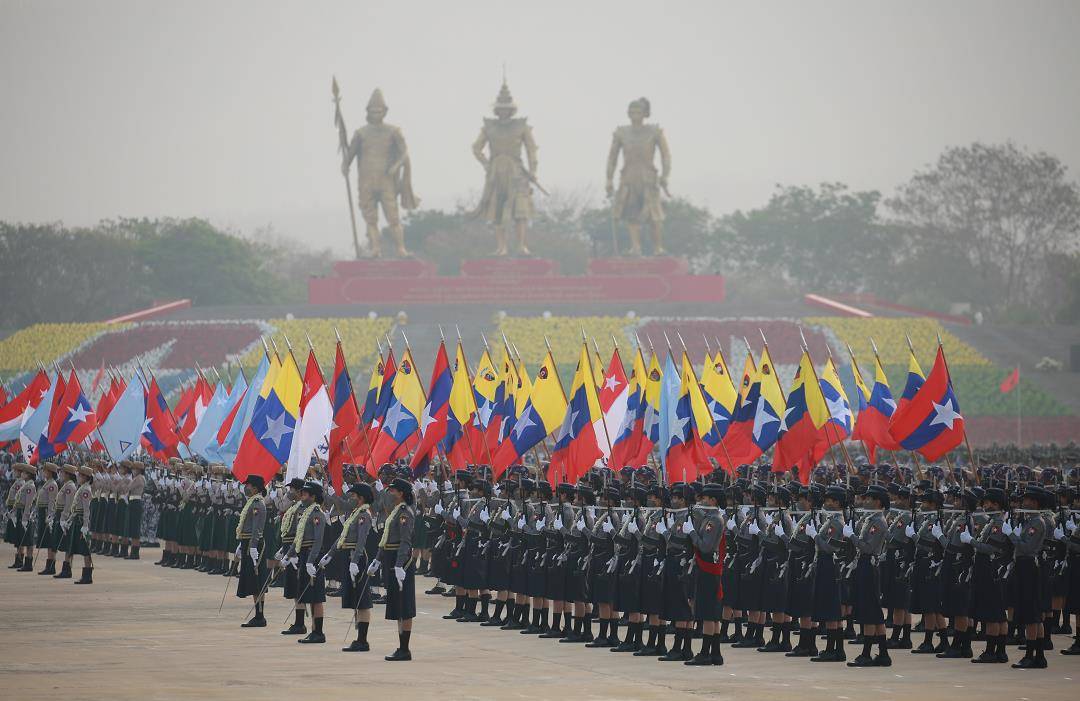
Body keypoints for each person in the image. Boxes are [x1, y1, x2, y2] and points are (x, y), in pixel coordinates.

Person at [845, 484, 891, 667]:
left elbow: (868, 547)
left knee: (870, 611)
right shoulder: (870, 519)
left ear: (878, 501)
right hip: (864, 564)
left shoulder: (878, 522)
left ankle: (866, 654)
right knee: (875, 613)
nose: (865, 501)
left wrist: (852, 537)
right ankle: (883, 654)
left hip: (869, 565)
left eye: (869, 498)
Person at [372, 477, 417, 661]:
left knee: (404, 605)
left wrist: (399, 565)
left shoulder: (405, 513)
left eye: (393, 491)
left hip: (401, 562)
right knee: (397, 604)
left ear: (401, 493)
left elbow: (404, 542)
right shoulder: (396, 511)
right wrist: (377, 559)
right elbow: (387, 539)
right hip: (391, 559)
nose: (390, 493)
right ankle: (401, 646)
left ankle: (404, 648)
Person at [683, 482, 726, 666]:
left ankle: (705, 653)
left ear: (713, 500)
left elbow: (706, 547)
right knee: (713, 613)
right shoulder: (711, 517)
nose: (703, 501)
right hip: (709, 567)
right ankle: (715, 653)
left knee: (708, 613)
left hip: (708, 567)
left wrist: (692, 533)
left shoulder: (714, 520)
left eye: (706, 498)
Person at [331, 482, 375, 651]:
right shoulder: (355, 513)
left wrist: (355, 561)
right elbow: (343, 537)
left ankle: (362, 640)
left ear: (361, 497)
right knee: (356, 599)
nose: (350, 498)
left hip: (358, 558)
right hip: (349, 556)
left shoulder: (364, 515)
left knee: (362, 600)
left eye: (353, 495)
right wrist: (330, 554)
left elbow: (361, 540)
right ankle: (359, 639)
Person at [284, 481, 328, 644]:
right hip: (304, 554)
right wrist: (288, 555)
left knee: (316, 597)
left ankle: (318, 632)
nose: (301, 496)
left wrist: (311, 562)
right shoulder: (306, 513)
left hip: (312, 555)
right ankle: (313, 630)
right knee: (308, 594)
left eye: (305, 494)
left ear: (313, 496)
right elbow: (298, 538)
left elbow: (317, 541)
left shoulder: (317, 514)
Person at [236, 474, 269, 628]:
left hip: (253, 544)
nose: (246, 487)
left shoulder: (257, 503)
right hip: (247, 542)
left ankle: (260, 616)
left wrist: (253, 545)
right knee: (252, 579)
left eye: (248, 485)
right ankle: (258, 614)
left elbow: (257, 527)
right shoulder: (252, 502)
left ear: (255, 488)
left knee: (257, 580)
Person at [68, 465, 96, 584]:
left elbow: (86, 509)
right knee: (80, 547)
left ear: (85, 477)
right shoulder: (82, 488)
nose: (78, 477)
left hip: (81, 521)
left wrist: (85, 525)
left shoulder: (85, 490)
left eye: (80, 475)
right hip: (77, 519)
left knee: (85, 549)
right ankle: (85, 575)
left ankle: (87, 575)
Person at [35, 462, 60, 575]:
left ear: (50, 472)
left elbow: (51, 501)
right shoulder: (47, 483)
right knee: (46, 540)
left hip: (46, 512)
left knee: (50, 541)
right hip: (42, 511)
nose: (43, 472)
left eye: (44, 470)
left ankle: (51, 566)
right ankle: (49, 566)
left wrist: (50, 515)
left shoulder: (52, 485)